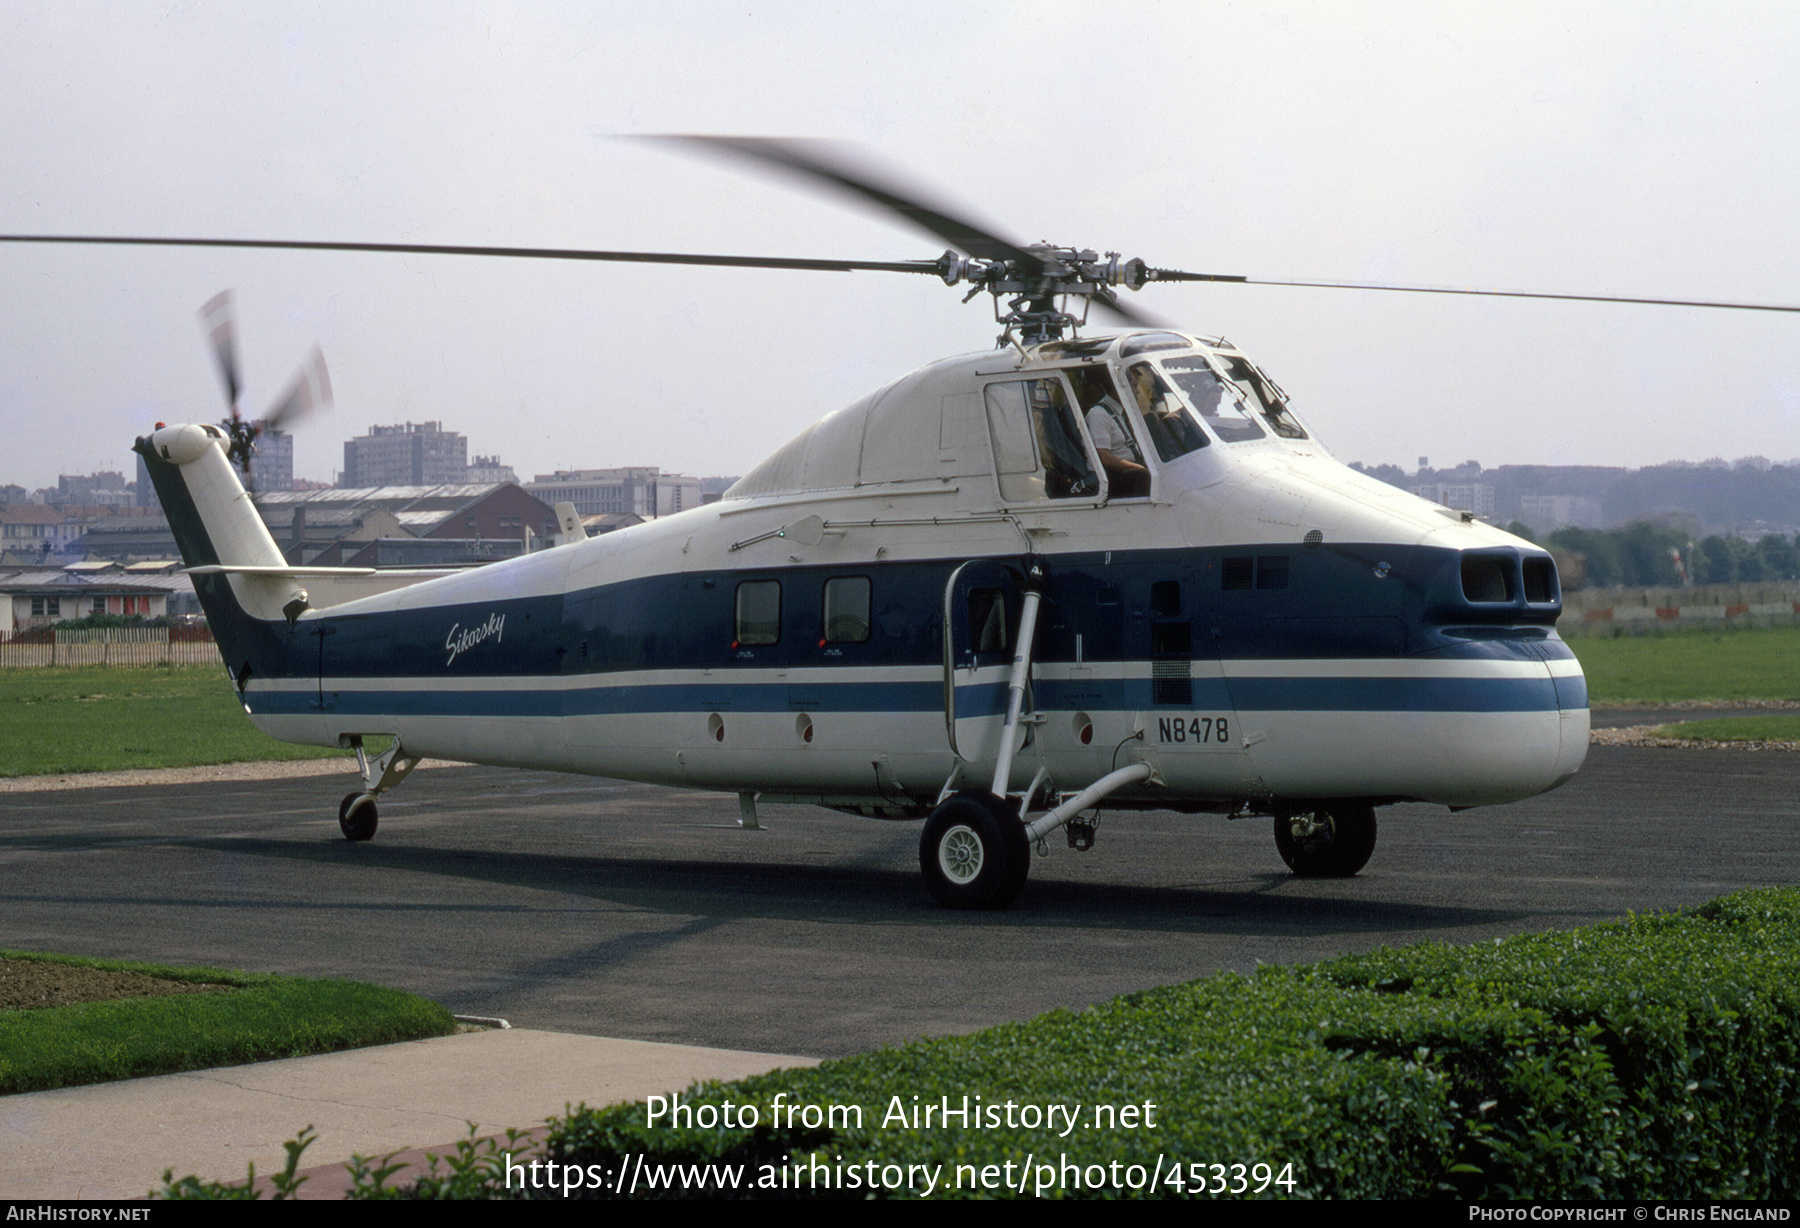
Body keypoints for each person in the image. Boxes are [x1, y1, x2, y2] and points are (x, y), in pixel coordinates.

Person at [1078, 370, 1151, 498]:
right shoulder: (1099, 415)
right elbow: (1105, 458)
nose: (1138, 391)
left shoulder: (1118, 412)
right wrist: (1140, 468)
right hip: (1112, 477)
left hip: (1129, 470)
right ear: (1119, 388)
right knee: (1144, 476)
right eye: (1134, 386)